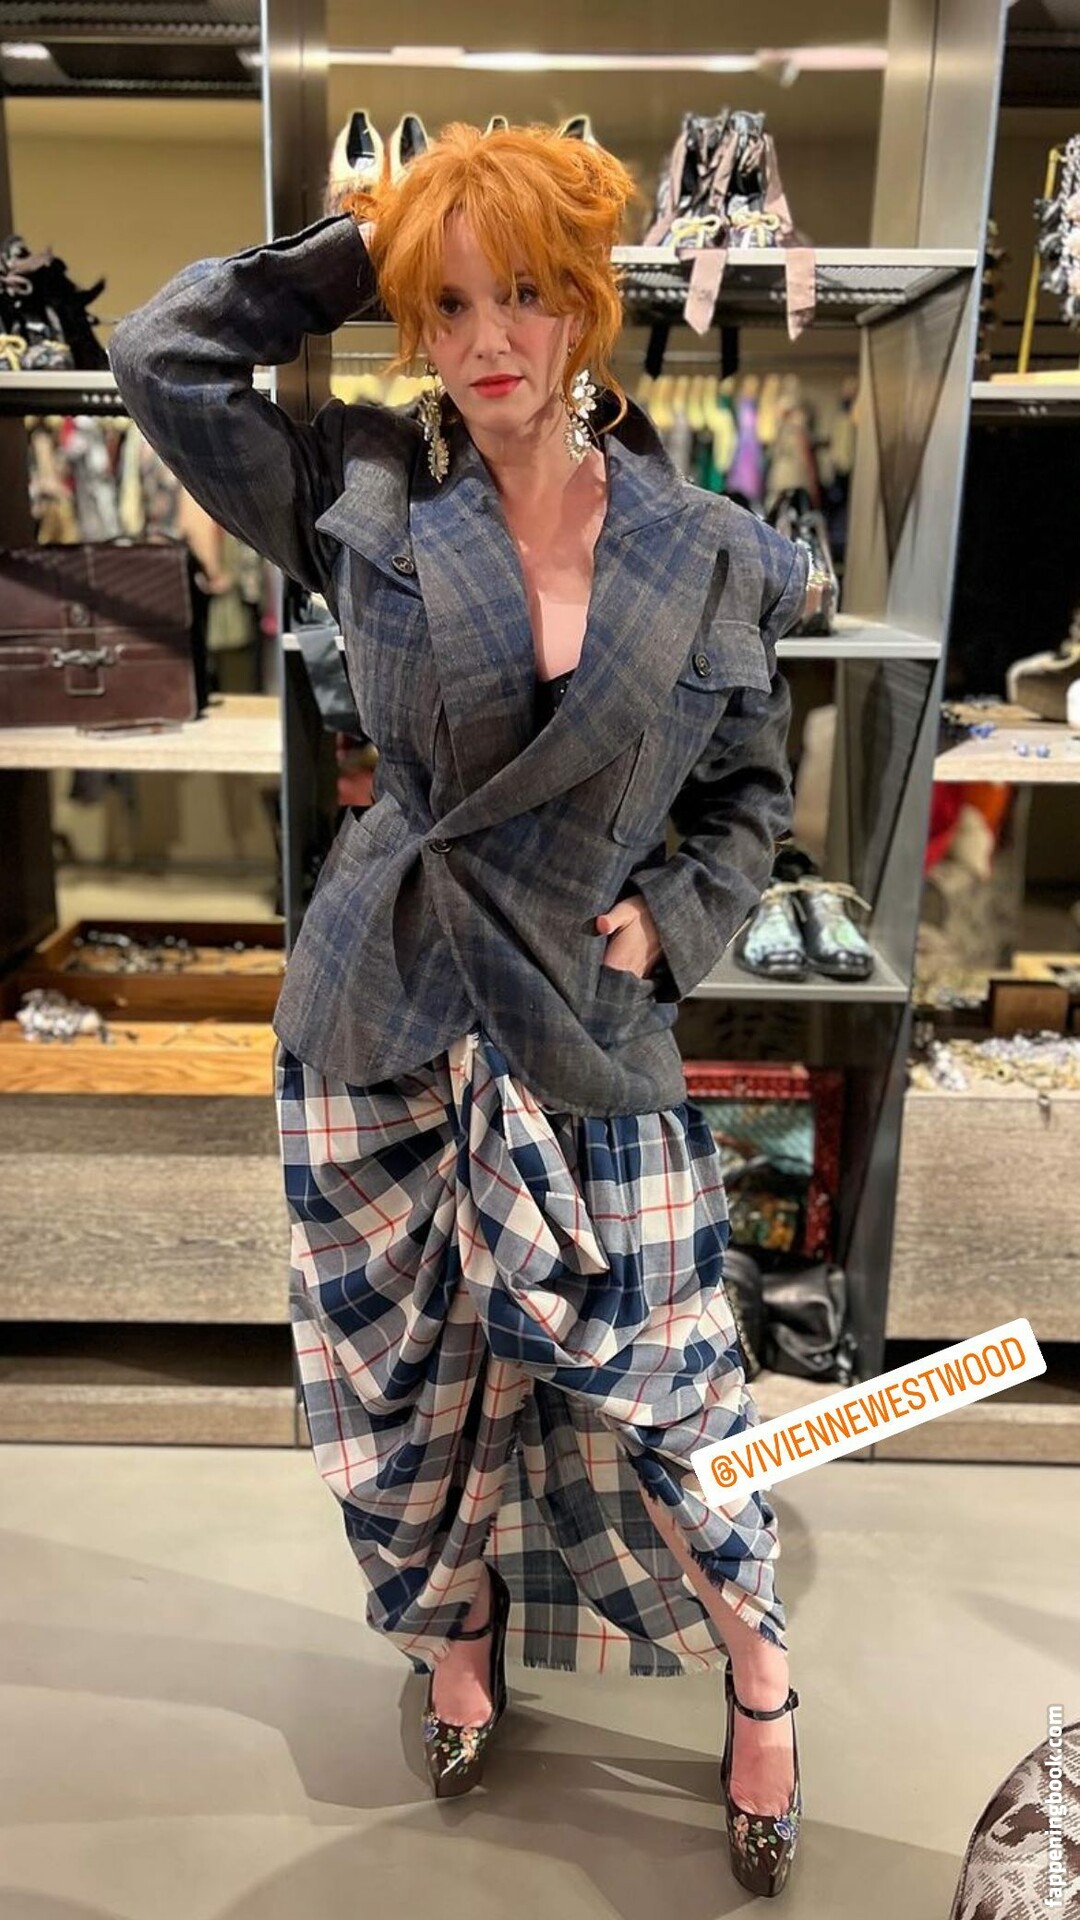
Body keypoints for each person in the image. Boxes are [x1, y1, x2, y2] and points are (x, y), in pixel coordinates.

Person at [108, 119, 809, 1900]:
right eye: (450, 306)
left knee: (672, 1383)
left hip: (584, 1015)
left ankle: (759, 1669)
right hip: (386, 1008)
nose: (489, 341)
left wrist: (679, 921)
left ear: (591, 305)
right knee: (418, 1387)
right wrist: (376, 238)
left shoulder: (712, 545)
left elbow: (749, 794)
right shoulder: (362, 485)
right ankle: (458, 1630)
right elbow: (160, 354)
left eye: (527, 296)